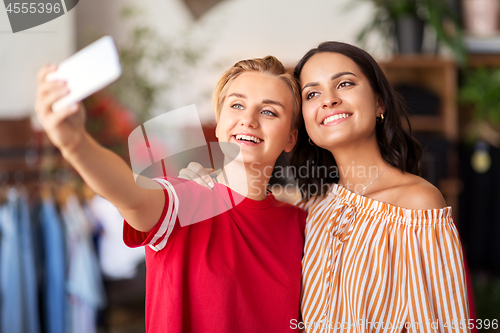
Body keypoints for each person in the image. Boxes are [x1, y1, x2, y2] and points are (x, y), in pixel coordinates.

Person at [182, 42, 470, 332]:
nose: (328, 100)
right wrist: (206, 181)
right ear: (303, 121)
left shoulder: (417, 205)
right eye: (312, 93)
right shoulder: (312, 207)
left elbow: (447, 324)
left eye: (344, 83)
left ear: (380, 101)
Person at [34, 56, 307, 333]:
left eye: (269, 112)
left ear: (290, 138)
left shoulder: (301, 223)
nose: (248, 120)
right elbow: (131, 194)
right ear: (219, 121)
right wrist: (75, 144)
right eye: (237, 105)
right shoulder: (186, 199)